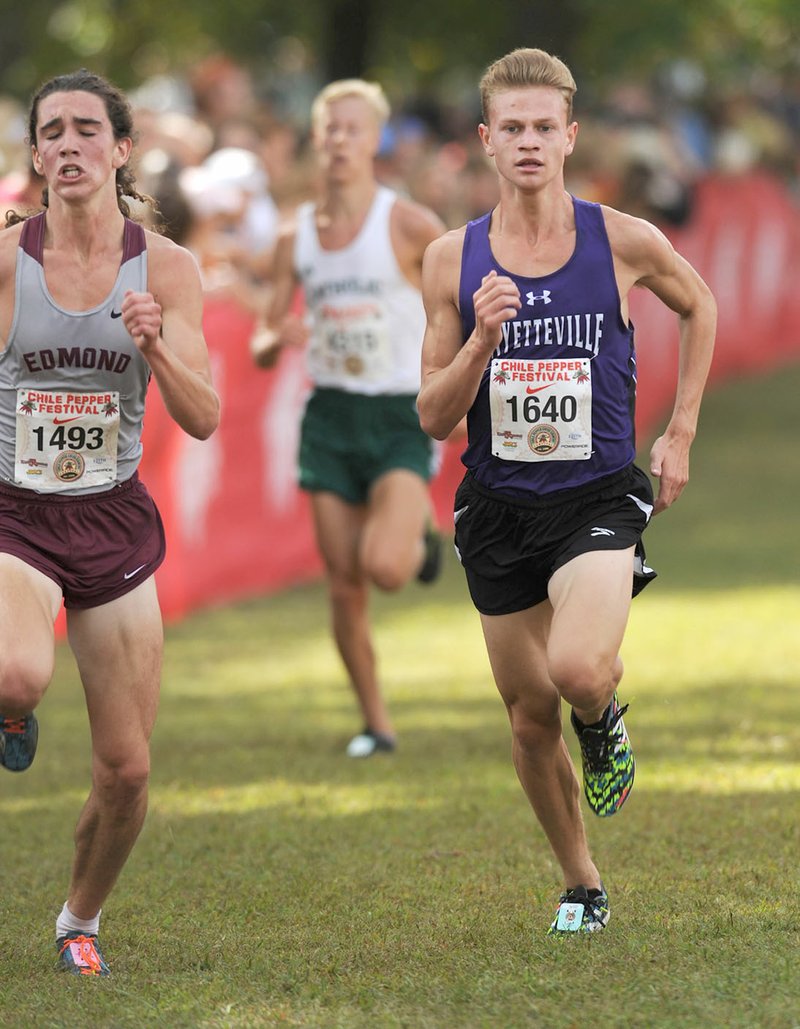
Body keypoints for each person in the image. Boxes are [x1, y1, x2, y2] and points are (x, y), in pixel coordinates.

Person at [417, 49, 716, 934]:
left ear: (571, 135)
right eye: (511, 128)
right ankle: (582, 880)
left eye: (545, 126)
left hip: (597, 497)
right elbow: (434, 415)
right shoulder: (450, 259)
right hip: (499, 508)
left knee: (578, 669)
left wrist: (682, 430)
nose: (529, 142)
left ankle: (606, 715)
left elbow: (699, 305)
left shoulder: (620, 239)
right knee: (527, 716)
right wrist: (479, 341)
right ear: (485, 141)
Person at [0, 69, 219, 975]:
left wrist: (157, 341)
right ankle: (11, 710)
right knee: (16, 673)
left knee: (127, 771)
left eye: (88, 129)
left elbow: (204, 416)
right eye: (52, 132)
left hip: (114, 523)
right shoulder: (5, 259)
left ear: (122, 150)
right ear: (37, 156)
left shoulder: (167, 269)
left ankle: (79, 918)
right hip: (15, 512)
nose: (69, 145)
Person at [251, 79, 446, 758]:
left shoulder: (409, 223)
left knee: (386, 568)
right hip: (329, 415)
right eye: (330, 129)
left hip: (397, 413)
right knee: (343, 583)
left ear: (375, 142)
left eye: (353, 130)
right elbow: (263, 337)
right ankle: (376, 721)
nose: (339, 141)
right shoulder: (293, 234)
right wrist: (278, 338)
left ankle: (419, 530)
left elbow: (461, 291)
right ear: (316, 138)